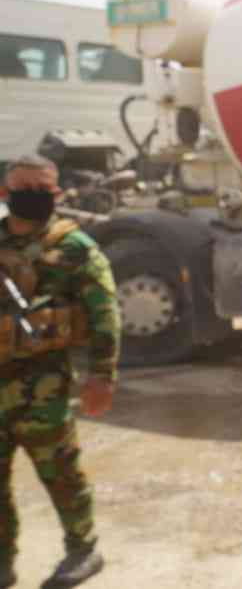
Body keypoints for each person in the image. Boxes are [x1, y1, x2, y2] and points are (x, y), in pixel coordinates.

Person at [0, 155, 120, 589]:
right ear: (4, 192)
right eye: (24, 188)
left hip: (44, 385)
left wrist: (102, 376)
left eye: (43, 189)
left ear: (56, 194)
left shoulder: (74, 247)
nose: (34, 196)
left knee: (62, 474)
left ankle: (83, 549)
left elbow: (104, 312)